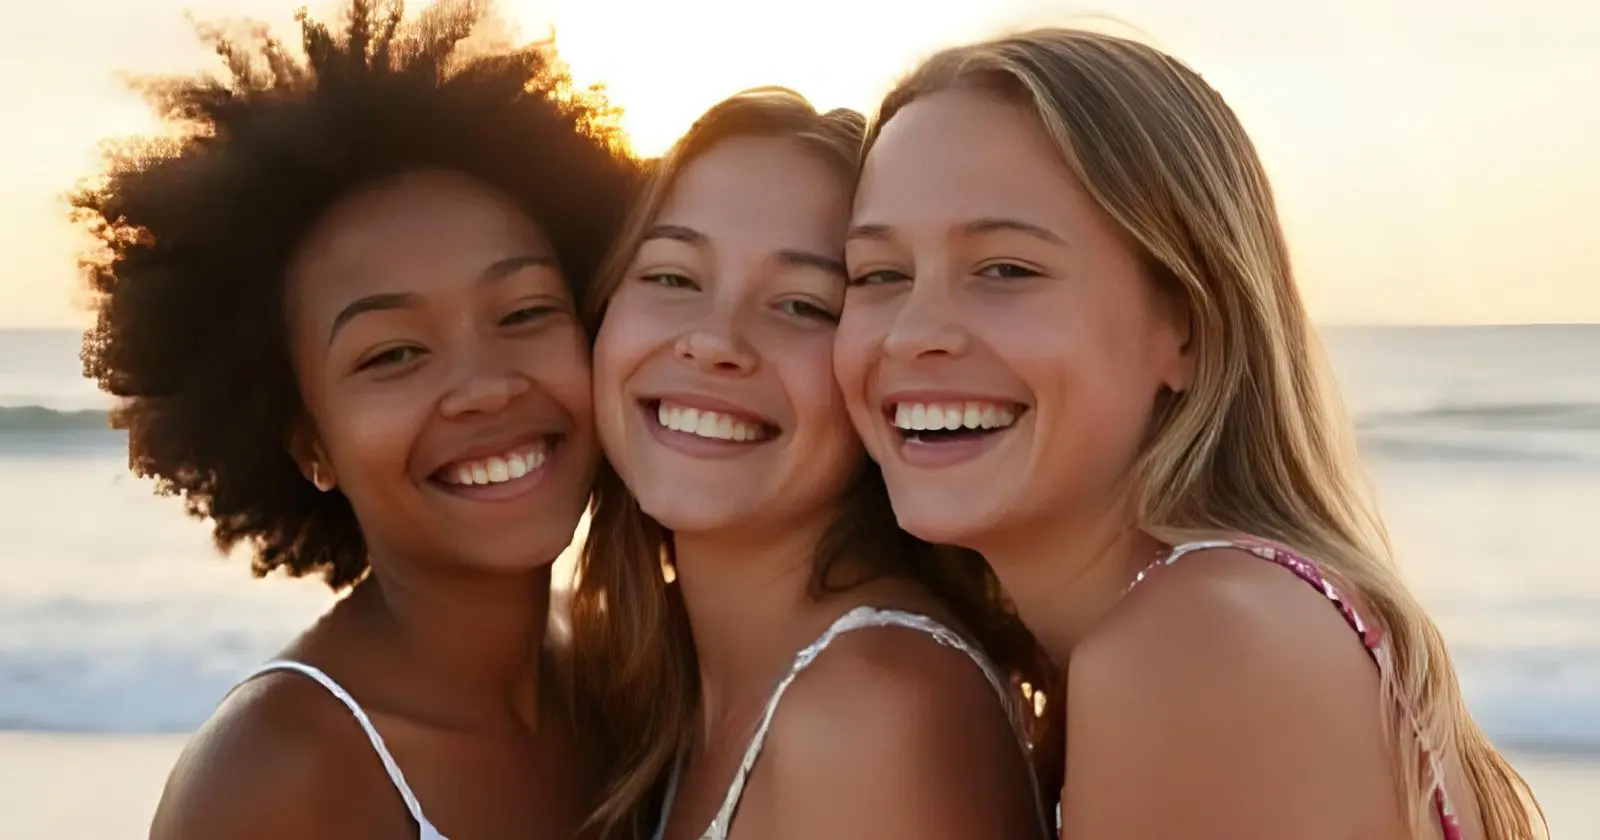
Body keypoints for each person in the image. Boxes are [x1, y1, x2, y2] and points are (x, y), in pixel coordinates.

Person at [834, 27, 1546, 840]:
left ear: (1187, 322)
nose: (911, 333)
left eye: (1005, 270)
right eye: (878, 275)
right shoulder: (1221, 623)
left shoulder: (1198, 649)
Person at [70, 3, 637, 837]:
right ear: (308, 443)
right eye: (392, 354)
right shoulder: (279, 776)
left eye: (523, 312)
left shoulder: (614, 681)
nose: (483, 387)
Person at [567, 88, 1054, 840]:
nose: (715, 341)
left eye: (801, 304)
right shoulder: (658, 697)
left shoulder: (872, 712)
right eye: (671, 277)